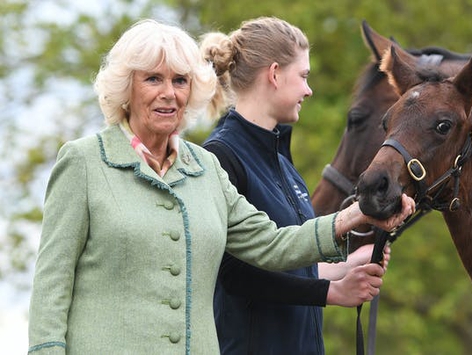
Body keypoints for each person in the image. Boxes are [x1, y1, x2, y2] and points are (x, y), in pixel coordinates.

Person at [26, 19, 415, 355]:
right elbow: (51, 286)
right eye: (152, 79)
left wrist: (357, 213)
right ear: (125, 88)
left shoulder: (206, 169)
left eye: (180, 80)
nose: (169, 93)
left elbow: (273, 244)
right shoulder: (83, 162)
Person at [199, 17, 391, 355]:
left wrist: (345, 268)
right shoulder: (220, 155)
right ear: (274, 74)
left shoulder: (281, 160)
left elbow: (283, 257)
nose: (308, 89)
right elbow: (233, 274)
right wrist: (331, 293)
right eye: (303, 76)